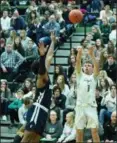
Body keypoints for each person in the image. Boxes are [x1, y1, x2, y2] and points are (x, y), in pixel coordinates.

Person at [21, 32, 56, 143]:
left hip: (43, 112)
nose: (46, 64)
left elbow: (49, 56)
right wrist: (41, 56)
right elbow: (42, 69)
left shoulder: (44, 74)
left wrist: (53, 42)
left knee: (36, 139)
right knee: (26, 138)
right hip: (37, 109)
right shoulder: (40, 79)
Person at [75, 45, 100, 143]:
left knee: (94, 131)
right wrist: (79, 54)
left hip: (91, 106)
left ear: (92, 68)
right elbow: (77, 64)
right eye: (85, 65)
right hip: (80, 106)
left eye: (89, 66)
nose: (86, 67)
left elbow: (97, 67)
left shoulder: (94, 77)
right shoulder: (79, 76)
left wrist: (91, 55)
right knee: (79, 132)